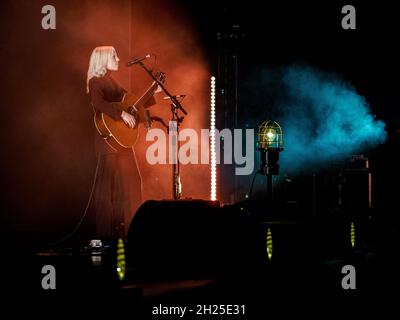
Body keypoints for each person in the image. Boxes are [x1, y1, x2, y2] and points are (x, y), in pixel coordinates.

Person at [86, 46, 156, 239]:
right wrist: (121, 113)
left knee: (133, 184)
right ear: (103, 60)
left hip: (122, 143)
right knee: (104, 192)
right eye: (114, 56)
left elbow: (132, 103)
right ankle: (104, 236)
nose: (118, 58)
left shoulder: (113, 82)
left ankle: (132, 233)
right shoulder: (96, 82)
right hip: (107, 142)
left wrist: (152, 92)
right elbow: (98, 103)